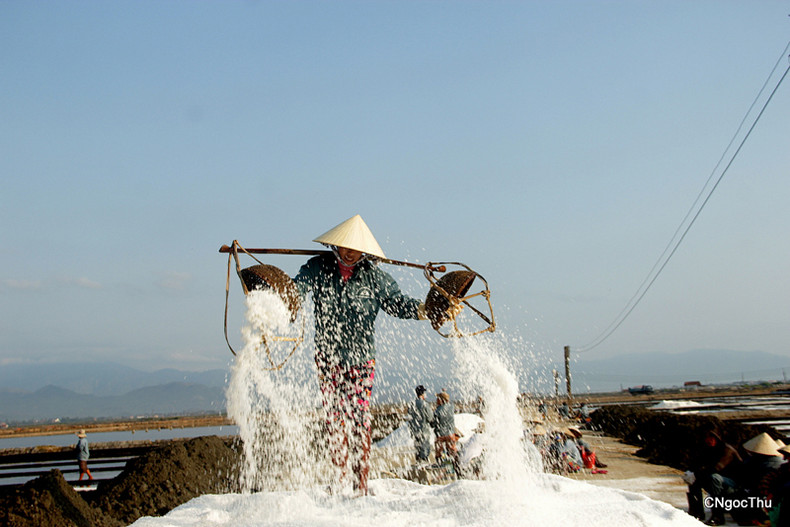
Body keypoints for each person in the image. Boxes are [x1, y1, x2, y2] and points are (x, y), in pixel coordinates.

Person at [292, 215, 431, 496]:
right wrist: (280, 296)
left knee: (359, 420)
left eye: (355, 249)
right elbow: (297, 288)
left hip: (361, 360)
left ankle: (361, 484)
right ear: (336, 245)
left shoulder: (375, 278)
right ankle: (340, 479)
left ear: (364, 251)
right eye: (345, 247)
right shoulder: (317, 268)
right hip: (328, 358)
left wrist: (425, 310)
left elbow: (397, 303)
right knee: (334, 420)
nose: (349, 253)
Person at [683, 428, 743, 524]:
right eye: (707, 438)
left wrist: (697, 474)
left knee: (714, 478)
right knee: (693, 480)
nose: (709, 441)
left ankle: (718, 516)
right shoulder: (708, 449)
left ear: (716, 439)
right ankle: (697, 512)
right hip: (718, 479)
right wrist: (690, 473)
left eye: (711, 438)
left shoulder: (727, 450)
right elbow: (697, 463)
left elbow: (717, 468)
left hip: (734, 482)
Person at [432, 390, 460, 471]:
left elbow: (433, 423)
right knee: (452, 451)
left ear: (441, 400)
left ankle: (439, 465)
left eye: (438, 399)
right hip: (450, 433)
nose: (436, 400)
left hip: (440, 434)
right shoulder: (451, 407)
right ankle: (457, 466)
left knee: (438, 451)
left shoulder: (438, 411)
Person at [408, 385, 435, 465]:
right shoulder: (425, 404)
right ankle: (424, 463)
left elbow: (410, 416)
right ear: (423, 393)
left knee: (418, 448)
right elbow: (430, 417)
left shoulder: (412, 404)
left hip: (415, 430)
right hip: (424, 430)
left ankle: (418, 463)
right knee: (425, 449)